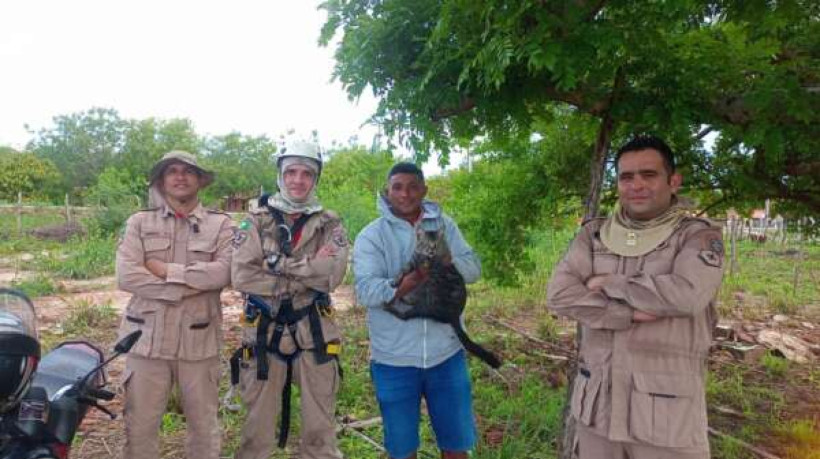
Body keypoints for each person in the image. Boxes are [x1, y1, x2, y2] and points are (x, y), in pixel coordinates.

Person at [547, 135, 725, 459]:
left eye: (649, 174)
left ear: (673, 181)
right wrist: (625, 314)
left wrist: (607, 282)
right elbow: (559, 294)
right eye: (626, 177)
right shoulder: (594, 234)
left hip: (666, 421)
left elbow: (686, 296)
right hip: (597, 412)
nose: (636, 185)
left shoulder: (697, 235)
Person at [353, 163, 482, 459]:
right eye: (397, 187)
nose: (405, 194)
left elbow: (473, 268)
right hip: (393, 359)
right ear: (387, 191)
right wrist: (408, 282)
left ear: (424, 190)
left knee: (457, 445)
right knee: (401, 449)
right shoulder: (371, 236)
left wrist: (448, 261)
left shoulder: (445, 226)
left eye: (413, 186)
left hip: (446, 354)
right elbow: (366, 292)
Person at [231, 141, 348, 459]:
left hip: (315, 333)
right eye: (291, 172)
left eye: (306, 173)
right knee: (256, 433)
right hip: (263, 334)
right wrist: (307, 271)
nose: (298, 180)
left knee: (320, 433)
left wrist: (277, 264)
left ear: (316, 178)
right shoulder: (254, 221)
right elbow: (242, 276)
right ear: (280, 175)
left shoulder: (330, 223)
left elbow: (331, 277)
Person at [116, 150, 234, 459]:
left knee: (204, 428)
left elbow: (224, 272)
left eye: (188, 171)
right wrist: (181, 290)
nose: (180, 177)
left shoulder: (221, 225)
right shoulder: (140, 222)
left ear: (199, 180)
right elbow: (127, 276)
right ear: (162, 180)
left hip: (199, 342)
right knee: (139, 428)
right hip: (146, 342)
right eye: (172, 171)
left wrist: (167, 271)